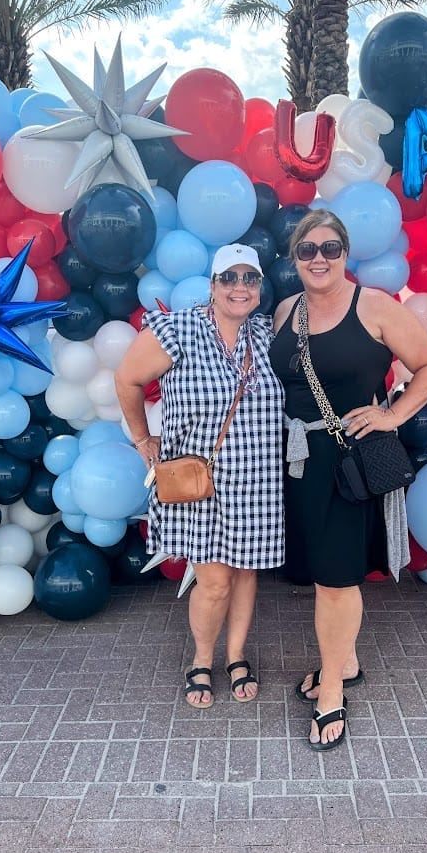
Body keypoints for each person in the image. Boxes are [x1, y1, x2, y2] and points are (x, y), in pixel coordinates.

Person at [269, 209, 427, 751]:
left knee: (337, 578)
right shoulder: (283, 311)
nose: (318, 258)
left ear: (345, 255)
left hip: (348, 461)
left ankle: (330, 693)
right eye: (307, 250)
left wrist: (392, 414)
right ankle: (343, 660)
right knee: (323, 572)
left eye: (330, 248)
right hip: (296, 462)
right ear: (295, 258)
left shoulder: (373, 306)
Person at [115, 244, 284, 708]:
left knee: (246, 573)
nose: (240, 287)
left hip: (258, 481)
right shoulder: (177, 329)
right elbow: (127, 378)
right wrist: (141, 438)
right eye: (229, 278)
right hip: (201, 485)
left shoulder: (267, 335)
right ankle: (202, 660)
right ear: (212, 285)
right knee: (214, 582)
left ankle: (236, 655)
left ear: (259, 288)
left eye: (250, 278)